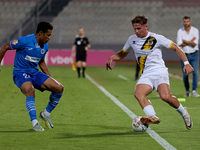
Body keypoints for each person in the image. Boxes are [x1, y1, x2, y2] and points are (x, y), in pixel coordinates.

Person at [106, 15, 194, 130]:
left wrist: (186, 63)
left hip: (159, 71)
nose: (136, 31)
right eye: (135, 29)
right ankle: (152, 117)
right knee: (138, 94)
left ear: (145, 26)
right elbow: (123, 52)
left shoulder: (156, 38)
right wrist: (112, 58)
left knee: (166, 97)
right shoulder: (132, 39)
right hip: (146, 74)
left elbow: (176, 48)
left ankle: (184, 112)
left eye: (139, 28)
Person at [0, 21, 64, 131]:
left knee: (59, 88)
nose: (49, 38)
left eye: (50, 35)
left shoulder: (45, 46)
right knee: (30, 90)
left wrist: (49, 77)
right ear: (40, 33)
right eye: (48, 35)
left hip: (34, 73)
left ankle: (45, 114)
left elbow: (41, 61)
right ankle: (35, 123)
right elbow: (5, 46)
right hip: (20, 73)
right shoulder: (24, 41)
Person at [177, 16, 199, 97]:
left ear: (190, 22)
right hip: (184, 55)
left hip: (194, 54)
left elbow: (195, 44)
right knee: (185, 73)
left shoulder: (195, 30)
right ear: (183, 22)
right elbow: (179, 44)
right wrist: (190, 41)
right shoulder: (180, 31)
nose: (186, 23)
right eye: (185, 21)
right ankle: (187, 91)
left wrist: (184, 41)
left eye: (187, 21)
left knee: (195, 73)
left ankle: (194, 91)